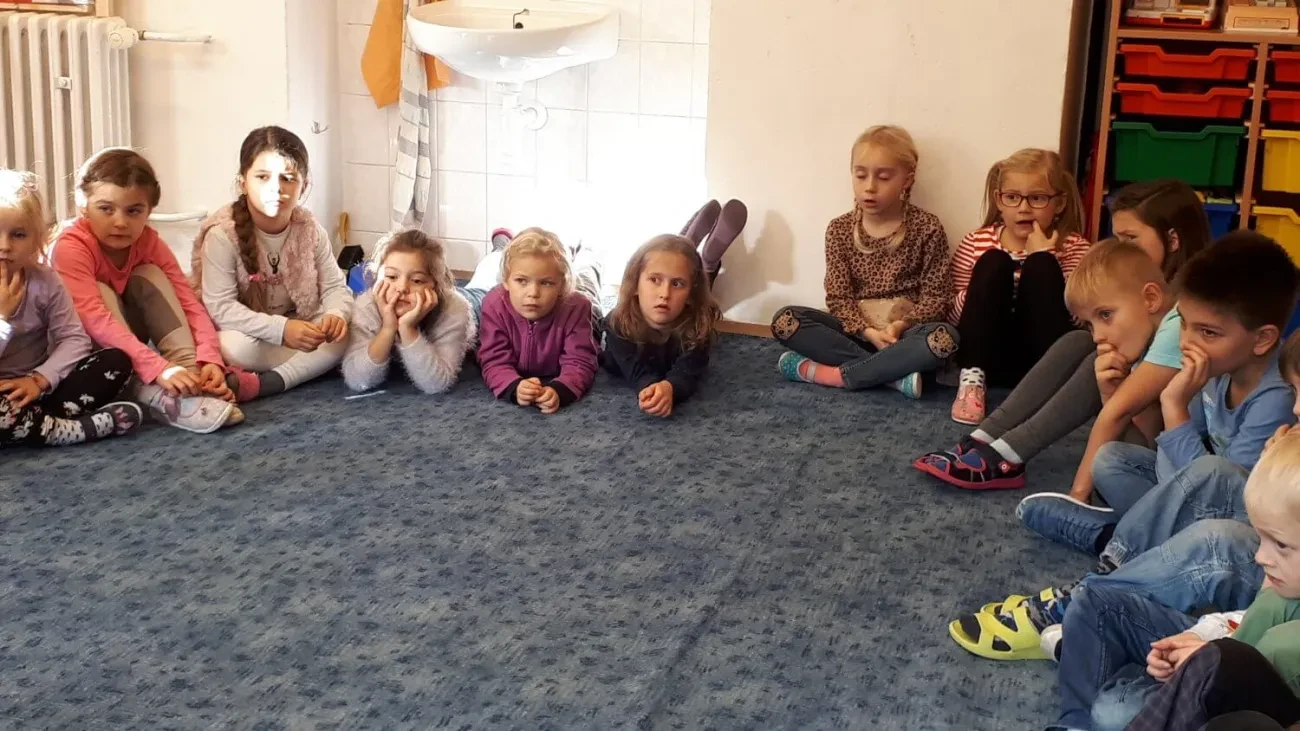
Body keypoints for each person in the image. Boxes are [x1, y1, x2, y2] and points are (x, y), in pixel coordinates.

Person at [949, 234, 1299, 666]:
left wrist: (1174, 405)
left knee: (1212, 473)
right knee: (1112, 460)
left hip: (1243, 523)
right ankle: (1122, 539)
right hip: (1192, 497)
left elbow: (1217, 489)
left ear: (1262, 340)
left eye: (1208, 332)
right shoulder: (1216, 370)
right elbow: (1169, 462)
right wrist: (1126, 396)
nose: (1188, 342)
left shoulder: (1275, 398)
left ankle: (1104, 572)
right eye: (1185, 324)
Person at [914, 179, 1211, 491]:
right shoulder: (1153, 298)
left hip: (1166, 461)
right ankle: (985, 438)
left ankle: (1009, 454)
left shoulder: (1183, 317)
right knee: (1079, 341)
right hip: (1149, 440)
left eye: (1131, 239)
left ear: (1173, 240)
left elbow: (1127, 417)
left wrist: (1079, 494)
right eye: (1117, 238)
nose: (1121, 248)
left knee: (1098, 360)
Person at [1052, 431, 1300, 730]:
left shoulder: (1287, 640)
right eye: (1262, 539)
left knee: (1114, 712)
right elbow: (1241, 625)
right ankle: (1077, 721)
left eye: (1280, 544)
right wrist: (1200, 641)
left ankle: (1098, 663)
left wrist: (1207, 666)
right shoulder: (1281, 594)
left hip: (1234, 699)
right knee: (1094, 603)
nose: (1260, 557)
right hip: (1219, 658)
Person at [51, 148, 240, 433]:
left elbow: (188, 302)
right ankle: (155, 392)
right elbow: (94, 320)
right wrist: (157, 368)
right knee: (101, 291)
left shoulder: (150, 242)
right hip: (88, 356)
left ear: (149, 211)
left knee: (150, 274)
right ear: (83, 205)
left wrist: (208, 359)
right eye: (106, 209)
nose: (120, 222)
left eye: (133, 211)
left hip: (130, 343)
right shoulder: (71, 246)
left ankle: (191, 379)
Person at [770, 125, 957, 399]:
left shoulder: (927, 227)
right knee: (786, 320)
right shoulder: (839, 229)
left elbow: (937, 296)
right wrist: (867, 331)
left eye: (883, 177)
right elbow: (838, 296)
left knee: (945, 338)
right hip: (854, 334)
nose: (870, 187)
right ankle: (892, 376)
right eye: (860, 175)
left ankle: (834, 374)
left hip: (902, 337)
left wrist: (899, 326)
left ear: (907, 180)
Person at [192, 126, 353, 399]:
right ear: (243, 183)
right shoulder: (222, 235)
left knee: (346, 332)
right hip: (248, 332)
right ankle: (299, 368)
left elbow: (335, 287)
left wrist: (335, 315)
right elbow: (221, 308)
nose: (276, 189)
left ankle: (267, 383)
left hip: (299, 322)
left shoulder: (310, 230)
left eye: (288, 179)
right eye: (263, 177)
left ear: (304, 186)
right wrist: (281, 330)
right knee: (233, 347)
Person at [949, 148, 1090, 424]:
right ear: (999, 201)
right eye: (1012, 197)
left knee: (1042, 266)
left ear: (1059, 203)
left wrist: (1044, 256)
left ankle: (1050, 387)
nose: (1023, 208)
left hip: (1041, 359)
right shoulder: (976, 242)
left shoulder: (1075, 247)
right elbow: (954, 315)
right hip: (988, 355)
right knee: (993, 261)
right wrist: (987, 287)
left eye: (1037, 198)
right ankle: (971, 384)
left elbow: (1081, 319)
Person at [0, 169, 140, 447]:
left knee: (116, 362)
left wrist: (39, 380)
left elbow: (74, 339)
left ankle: (35, 423)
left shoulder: (45, 280)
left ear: (36, 238)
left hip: (38, 389)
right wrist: (2, 318)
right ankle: (63, 429)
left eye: (18, 235)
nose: (4, 246)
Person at [477, 228, 599, 414]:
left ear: (562, 285)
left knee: (587, 272)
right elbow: (492, 358)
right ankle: (501, 242)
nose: (533, 293)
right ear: (506, 281)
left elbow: (581, 360)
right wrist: (513, 386)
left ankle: (587, 249)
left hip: (583, 304)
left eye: (546, 283)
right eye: (521, 281)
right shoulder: (494, 304)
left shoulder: (578, 307)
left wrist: (562, 389)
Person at [602, 234, 722, 417]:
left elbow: (689, 371)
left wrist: (670, 388)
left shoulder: (699, 326)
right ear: (635, 285)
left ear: (691, 294)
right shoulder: (617, 322)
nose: (665, 294)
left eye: (677, 284)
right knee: (587, 300)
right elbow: (635, 371)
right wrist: (649, 387)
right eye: (655, 280)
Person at [343, 229, 476, 394]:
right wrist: (388, 329)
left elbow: (437, 384)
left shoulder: (454, 309)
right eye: (392, 277)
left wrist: (407, 329)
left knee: (485, 282)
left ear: (435, 285)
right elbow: (358, 380)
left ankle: (496, 251)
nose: (401, 288)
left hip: (477, 305)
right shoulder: (366, 306)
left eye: (416, 280)